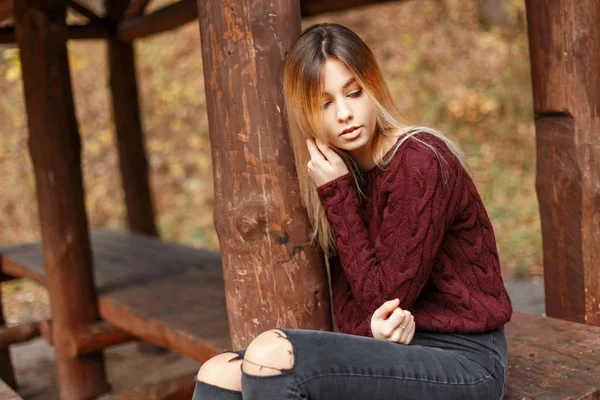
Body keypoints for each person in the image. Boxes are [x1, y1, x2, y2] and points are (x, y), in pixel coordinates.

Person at [191, 22, 513, 400]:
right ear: (308, 115)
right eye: (325, 103)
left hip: (465, 359)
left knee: (270, 355)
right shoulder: (343, 175)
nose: (344, 113)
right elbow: (354, 315)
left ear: (373, 87)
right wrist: (373, 334)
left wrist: (337, 196)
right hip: (393, 350)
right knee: (218, 373)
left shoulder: (420, 161)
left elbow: (386, 299)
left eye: (354, 93)